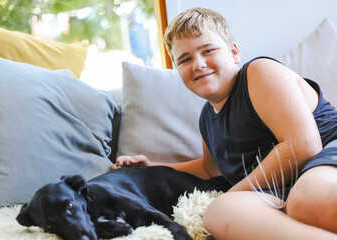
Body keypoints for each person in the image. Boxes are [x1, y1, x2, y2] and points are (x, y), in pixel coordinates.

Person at [112, 7, 337, 239]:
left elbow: (303, 146)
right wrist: (151, 166)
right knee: (219, 212)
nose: (198, 64)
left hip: (326, 158)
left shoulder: (258, 73)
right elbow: (209, 168)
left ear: (234, 53)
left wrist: (232, 191)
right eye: (185, 59)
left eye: (207, 50)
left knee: (306, 200)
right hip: (283, 188)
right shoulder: (206, 119)